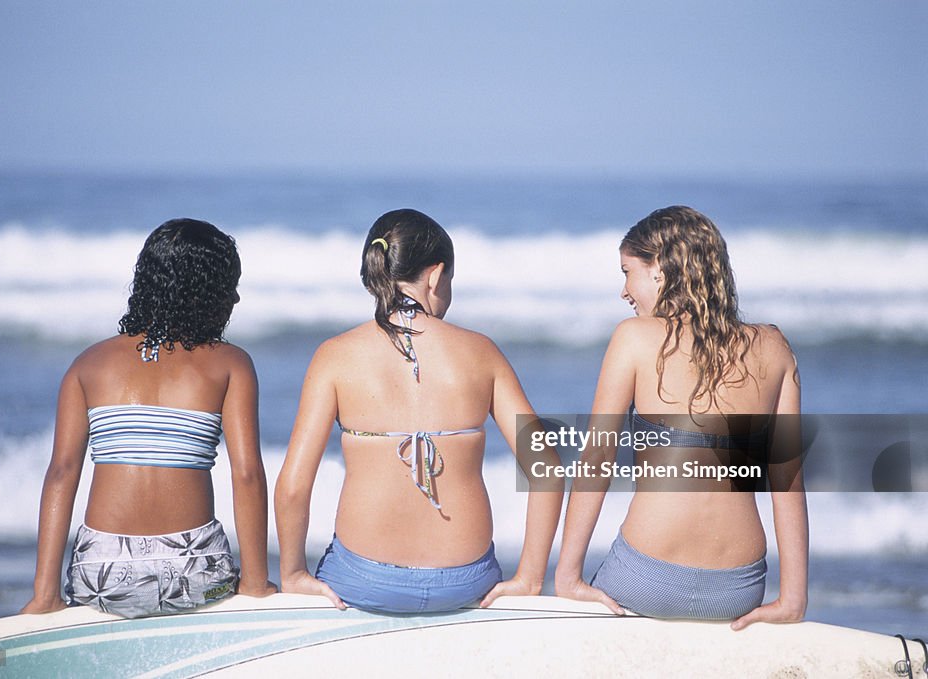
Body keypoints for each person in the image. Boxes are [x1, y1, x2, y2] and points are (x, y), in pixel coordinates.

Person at [275, 208, 562, 613]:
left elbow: (293, 485)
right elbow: (547, 468)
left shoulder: (334, 356)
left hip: (363, 579)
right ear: (435, 275)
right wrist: (530, 578)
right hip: (466, 580)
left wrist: (292, 574)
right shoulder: (482, 352)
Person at [554, 206, 808, 630]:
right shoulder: (774, 347)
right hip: (739, 587)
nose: (624, 291)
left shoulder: (633, 338)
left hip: (647, 576)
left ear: (660, 270)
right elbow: (788, 478)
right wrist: (794, 598)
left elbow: (597, 458)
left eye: (627, 271)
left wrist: (568, 577)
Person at [21, 218, 275, 618]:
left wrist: (44, 596)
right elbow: (246, 474)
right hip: (195, 572)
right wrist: (256, 584)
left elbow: (61, 473)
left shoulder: (88, 364)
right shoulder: (231, 364)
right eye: (229, 285)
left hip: (100, 572)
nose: (236, 299)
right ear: (205, 292)